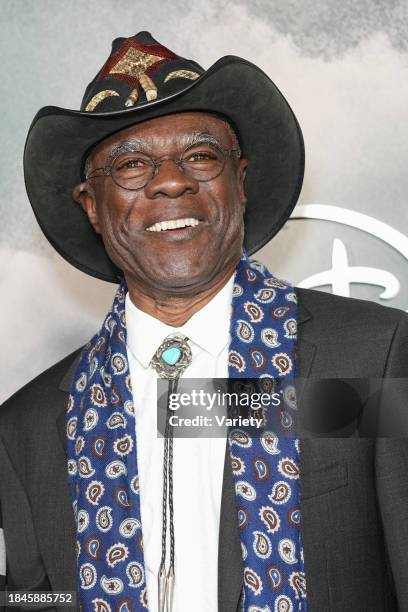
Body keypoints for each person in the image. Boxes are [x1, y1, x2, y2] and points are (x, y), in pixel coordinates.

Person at [1, 31, 408, 612]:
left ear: (239, 182)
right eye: (132, 164)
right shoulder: (29, 427)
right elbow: (39, 599)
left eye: (200, 155)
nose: (172, 180)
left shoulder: (373, 357)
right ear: (91, 205)